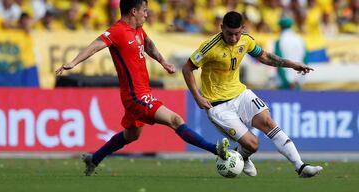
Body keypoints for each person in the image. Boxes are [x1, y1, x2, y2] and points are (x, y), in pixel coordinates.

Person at [55, 0, 229, 176]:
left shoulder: (138, 29)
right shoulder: (117, 31)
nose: (147, 14)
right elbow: (94, 47)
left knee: (131, 135)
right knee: (175, 120)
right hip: (135, 97)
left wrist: (163, 62)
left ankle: (94, 159)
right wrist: (73, 62)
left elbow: (148, 44)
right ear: (133, 11)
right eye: (144, 11)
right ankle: (216, 150)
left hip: (143, 92)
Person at [182, 11, 323, 178]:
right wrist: (197, 96)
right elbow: (187, 68)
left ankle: (300, 167)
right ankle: (242, 155)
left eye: (237, 33)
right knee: (253, 145)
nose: (233, 38)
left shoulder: (246, 40)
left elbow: (264, 57)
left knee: (269, 122)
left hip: (241, 94)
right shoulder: (210, 47)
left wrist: (292, 64)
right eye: (229, 34)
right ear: (221, 28)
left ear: (243, 28)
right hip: (218, 105)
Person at [275, 16, 307, 90]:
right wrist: (299, 79)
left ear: (280, 27)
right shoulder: (300, 40)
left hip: (284, 84)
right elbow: (305, 60)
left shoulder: (279, 41)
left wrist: (286, 82)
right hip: (298, 81)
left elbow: (278, 62)